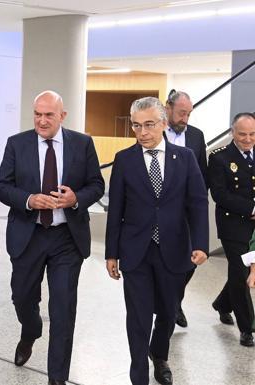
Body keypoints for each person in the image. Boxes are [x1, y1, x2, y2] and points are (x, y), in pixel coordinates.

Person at [0, 90, 104, 385]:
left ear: (62, 116)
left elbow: (97, 184)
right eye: (37, 114)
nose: (42, 121)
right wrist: (29, 199)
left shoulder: (82, 144)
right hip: (28, 236)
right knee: (22, 297)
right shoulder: (17, 144)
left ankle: (57, 379)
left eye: (49, 115)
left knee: (63, 310)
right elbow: (2, 187)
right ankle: (30, 331)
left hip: (67, 237)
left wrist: (76, 198)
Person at [106, 96, 208, 385]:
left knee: (167, 312)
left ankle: (159, 356)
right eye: (136, 126)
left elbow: (198, 203)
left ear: (164, 123)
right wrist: (111, 253)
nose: (142, 132)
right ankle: (138, 373)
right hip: (136, 251)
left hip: (175, 249)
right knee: (138, 316)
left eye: (149, 124)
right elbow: (117, 209)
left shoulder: (185, 158)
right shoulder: (125, 160)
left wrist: (200, 244)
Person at [208, 112, 255, 348]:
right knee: (241, 272)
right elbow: (220, 194)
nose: (248, 139)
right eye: (242, 134)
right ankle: (247, 328)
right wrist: (252, 208)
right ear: (232, 133)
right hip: (233, 225)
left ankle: (223, 304)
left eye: (252, 134)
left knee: (240, 272)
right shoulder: (219, 157)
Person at [164, 90, 208, 327]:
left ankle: (174, 300)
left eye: (189, 114)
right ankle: (168, 305)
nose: (185, 119)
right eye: (181, 113)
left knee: (190, 262)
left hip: (187, 211)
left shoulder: (197, 136)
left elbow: (202, 173)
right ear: (168, 108)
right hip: (160, 210)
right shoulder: (153, 132)